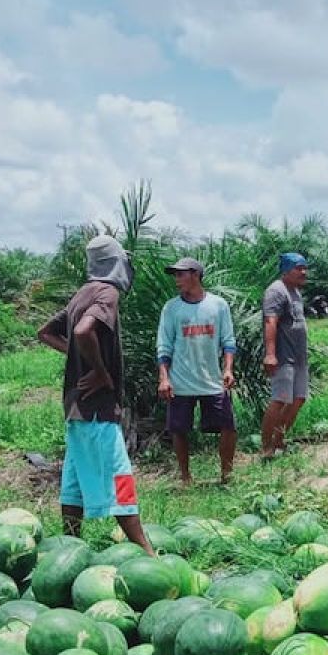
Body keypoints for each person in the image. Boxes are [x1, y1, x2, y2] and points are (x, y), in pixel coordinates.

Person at [37, 235, 154, 555]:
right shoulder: (107, 292)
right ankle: (146, 551)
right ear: (117, 263)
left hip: (75, 407)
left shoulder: (82, 294)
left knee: (73, 482)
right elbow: (82, 331)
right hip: (97, 408)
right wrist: (101, 371)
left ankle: (70, 547)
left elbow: (45, 333)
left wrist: (78, 357)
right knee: (122, 477)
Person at [156, 258, 237, 486]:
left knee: (228, 427)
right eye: (175, 275)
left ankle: (226, 475)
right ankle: (185, 477)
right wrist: (164, 377)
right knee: (179, 429)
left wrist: (228, 369)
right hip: (181, 381)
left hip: (212, 380)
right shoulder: (171, 308)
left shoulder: (218, 305)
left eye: (180, 275)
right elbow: (164, 345)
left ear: (195, 275)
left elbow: (228, 340)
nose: (177, 280)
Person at [261, 253, 310, 459]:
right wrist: (270, 354)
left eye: (305, 268)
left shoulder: (295, 291)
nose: (303, 272)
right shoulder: (276, 291)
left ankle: (279, 439)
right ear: (286, 270)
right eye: (299, 268)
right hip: (283, 356)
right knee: (280, 400)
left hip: (299, 357)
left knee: (299, 398)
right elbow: (270, 322)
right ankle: (265, 447)